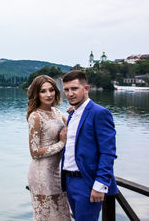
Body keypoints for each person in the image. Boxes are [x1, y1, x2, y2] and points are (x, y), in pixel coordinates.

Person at [61, 70, 118, 220]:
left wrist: (100, 185)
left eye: (74, 88)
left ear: (86, 89)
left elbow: (108, 152)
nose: (70, 93)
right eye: (66, 90)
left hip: (87, 182)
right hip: (69, 181)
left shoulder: (100, 113)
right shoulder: (72, 113)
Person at [27, 75, 71, 221]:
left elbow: (71, 129)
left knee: (63, 216)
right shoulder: (35, 116)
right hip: (41, 174)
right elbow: (34, 152)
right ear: (36, 94)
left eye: (51, 90)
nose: (48, 94)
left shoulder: (57, 112)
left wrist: (76, 111)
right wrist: (61, 144)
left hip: (57, 172)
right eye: (43, 91)